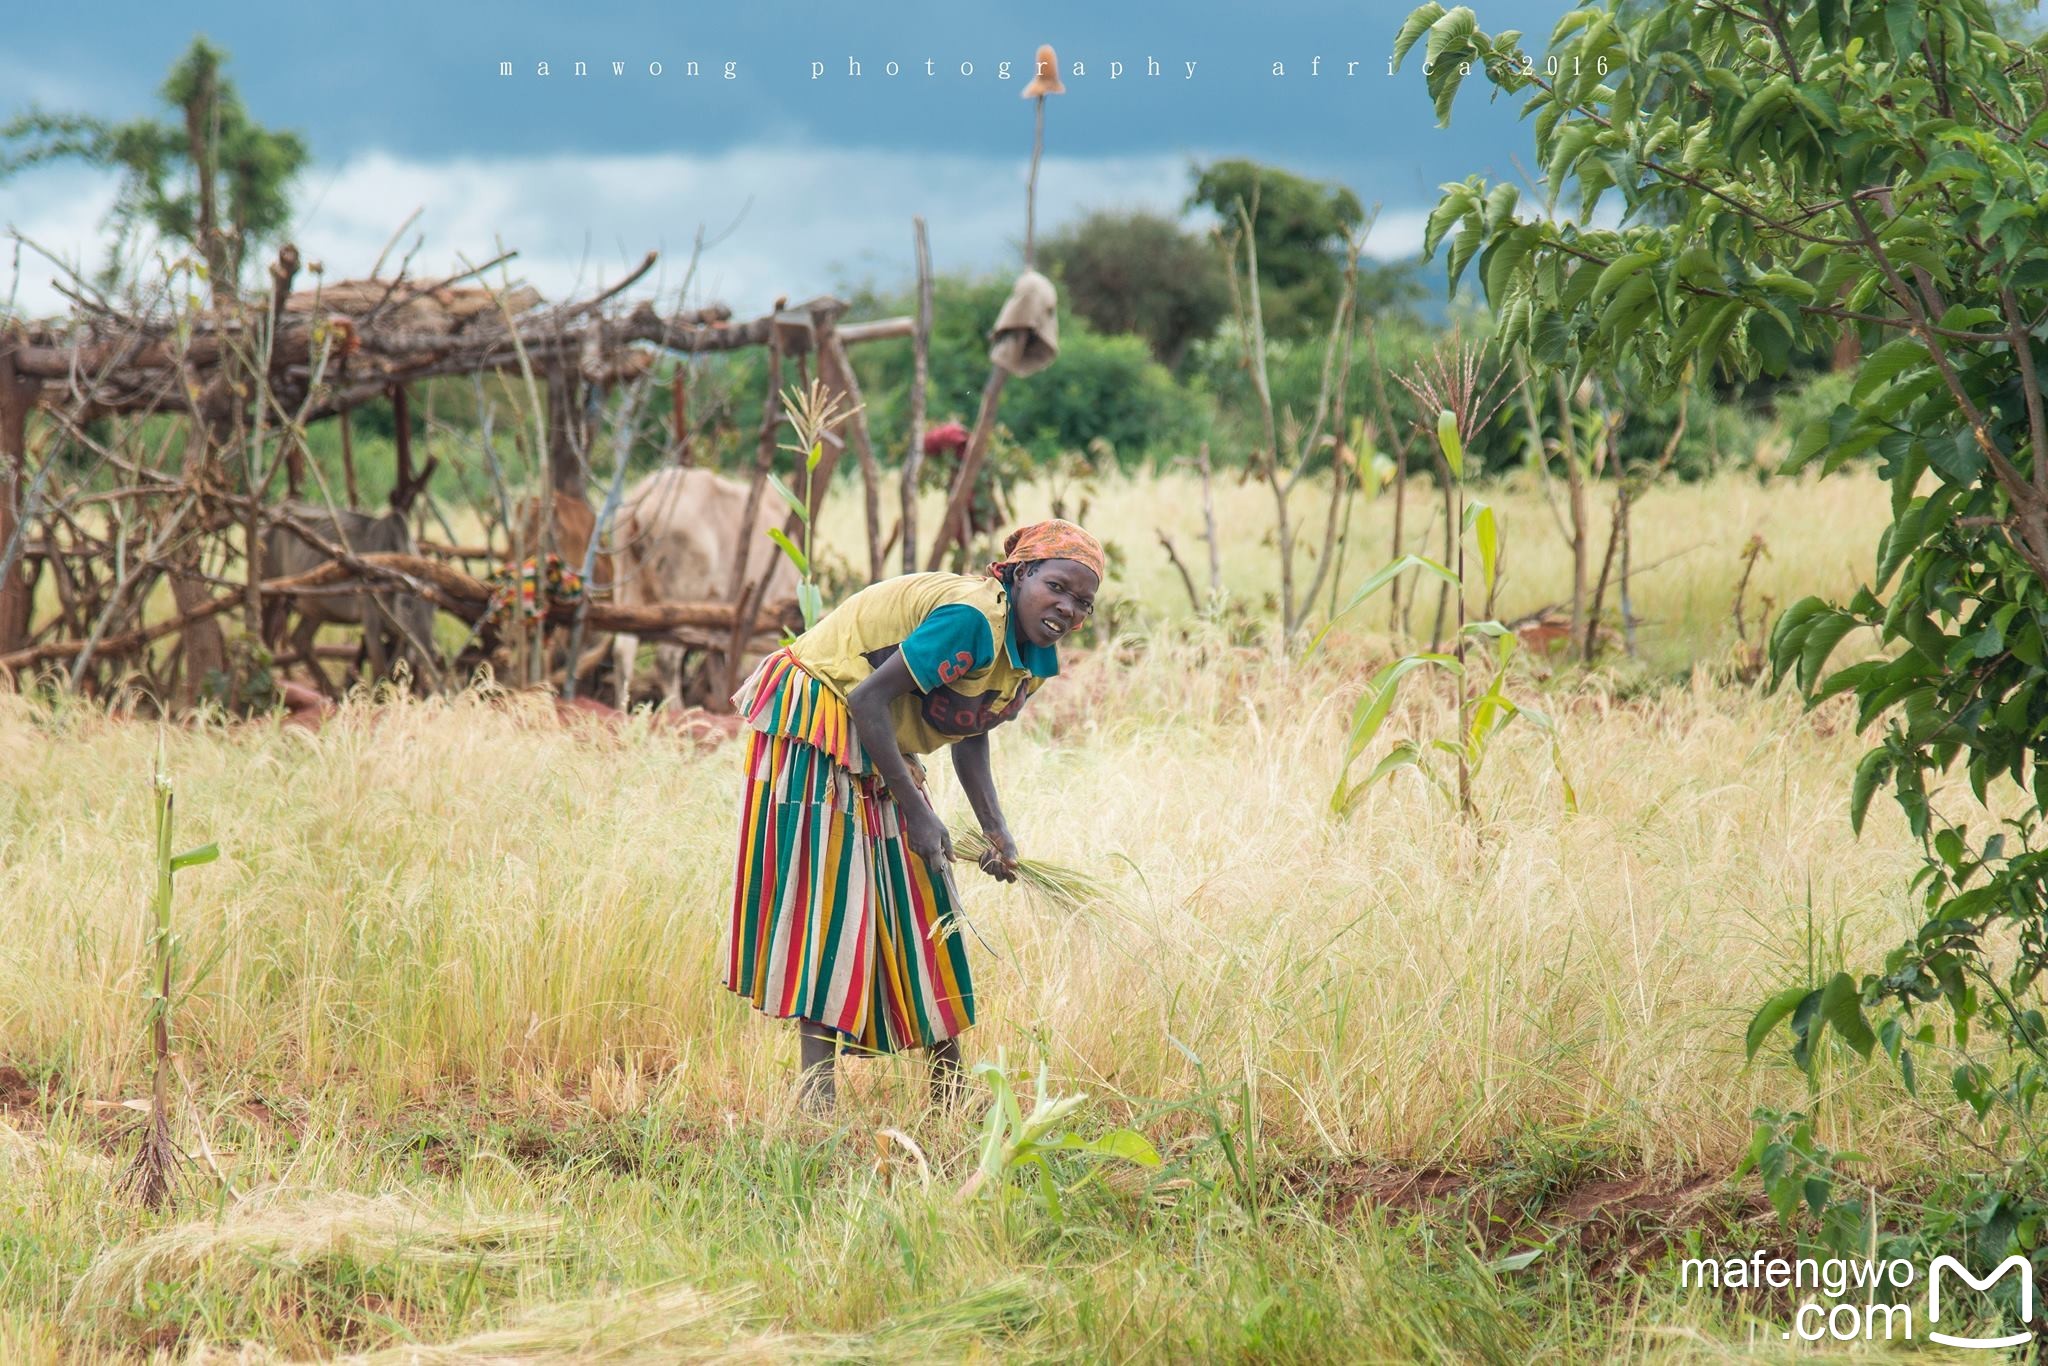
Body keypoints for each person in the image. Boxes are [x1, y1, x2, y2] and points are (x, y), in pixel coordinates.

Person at [723, 519, 1105, 1110]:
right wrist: (918, 812)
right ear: (1021, 573)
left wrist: (997, 828)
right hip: (820, 711)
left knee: (924, 892)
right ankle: (815, 1099)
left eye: (1083, 602)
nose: (1067, 608)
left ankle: (948, 1091)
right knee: (837, 899)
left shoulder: (1032, 652)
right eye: (1057, 586)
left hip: (873, 731)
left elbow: (969, 725)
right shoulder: (973, 619)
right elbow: (866, 697)